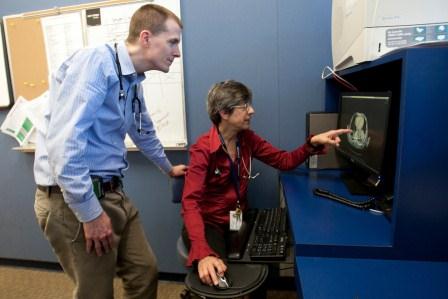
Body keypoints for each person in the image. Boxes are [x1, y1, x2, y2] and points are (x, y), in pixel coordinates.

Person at [33, 4, 187, 299]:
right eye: (172, 42)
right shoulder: (96, 64)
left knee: (144, 272)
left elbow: (143, 130)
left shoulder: (132, 79)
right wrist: (90, 215)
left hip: (112, 192)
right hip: (73, 199)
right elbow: (64, 145)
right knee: (96, 293)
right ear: (145, 37)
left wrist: (168, 168)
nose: (177, 52)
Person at [181, 80, 350, 287]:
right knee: (221, 279)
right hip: (210, 224)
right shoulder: (202, 150)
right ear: (224, 113)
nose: (252, 111)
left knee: (267, 256)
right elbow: (190, 203)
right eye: (244, 106)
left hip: (237, 219)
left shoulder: (247, 139)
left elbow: (283, 161)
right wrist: (202, 251)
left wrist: (311, 144)